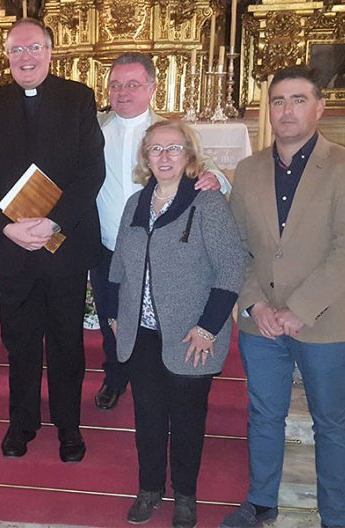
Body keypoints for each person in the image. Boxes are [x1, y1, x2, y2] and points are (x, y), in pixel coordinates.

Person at [221, 66, 345, 528]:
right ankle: (261, 501)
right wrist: (256, 304)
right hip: (262, 322)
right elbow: (237, 246)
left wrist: (299, 310)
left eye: (298, 100)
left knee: (330, 421)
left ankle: (334, 516)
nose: (287, 110)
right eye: (278, 101)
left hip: (324, 320)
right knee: (264, 414)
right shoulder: (249, 170)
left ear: (319, 108)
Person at [0, 18, 104, 462]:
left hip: (63, 244)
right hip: (13, 246)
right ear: (7, 56)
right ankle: (21, 423)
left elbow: (91, 171)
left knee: (66, 341)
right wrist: (4, 225)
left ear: (49, 51)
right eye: (16, 50)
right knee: (20, 341)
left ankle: (69, 427)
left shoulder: (78, 98)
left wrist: (55, 223)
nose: (25, 58)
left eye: (33, 49)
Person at [109, 120, 244, 528]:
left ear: (189, 155)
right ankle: (149, 489)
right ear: (145, 158)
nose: (164, 157)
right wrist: (115, 316)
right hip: (142, 333)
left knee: (186, 420)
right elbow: (118, 267)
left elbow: (231, 268)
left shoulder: (207, 204)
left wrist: (208, 328)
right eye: (156, 149)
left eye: (173, 149)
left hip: (191, 334)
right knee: (148, 417)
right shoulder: (135, 204)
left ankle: (185, 495)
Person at [92, 53, 229, 410]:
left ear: (152, 88)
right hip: (106, 245)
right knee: (112, 315)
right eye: (115, 85)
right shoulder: (92, 128)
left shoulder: (168, 132)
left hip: (160, 249)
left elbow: (206, 166)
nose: (122, 92)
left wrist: (216, 179)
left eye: (132, 84)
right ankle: (115, 376)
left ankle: (162, 373)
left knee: (158, 314)